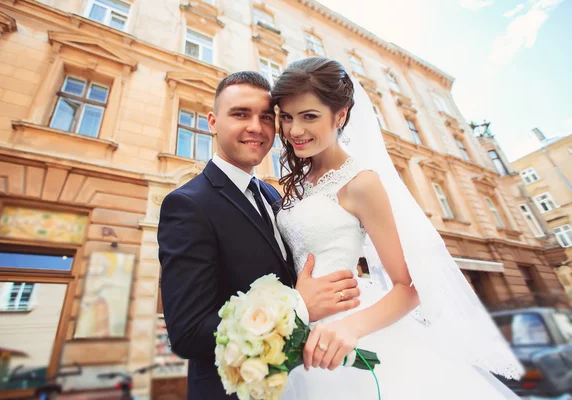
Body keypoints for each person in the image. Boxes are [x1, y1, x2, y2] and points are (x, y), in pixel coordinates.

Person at [273, 57, 522, 399]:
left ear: (341, 115)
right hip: (299, 332)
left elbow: (409, 286)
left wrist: (350, 327)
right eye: (286, 117)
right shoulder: (301, 182)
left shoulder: (361, 182)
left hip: (345, 333)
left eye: (309, 116)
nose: (294, 131)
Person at [157, 71, 360, 400]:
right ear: (212, 121)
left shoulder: (270, 195)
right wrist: (298, 307)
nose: (256, 127)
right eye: (240, 114)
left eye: (266, 117)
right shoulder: (188, 204)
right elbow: (188, 333)